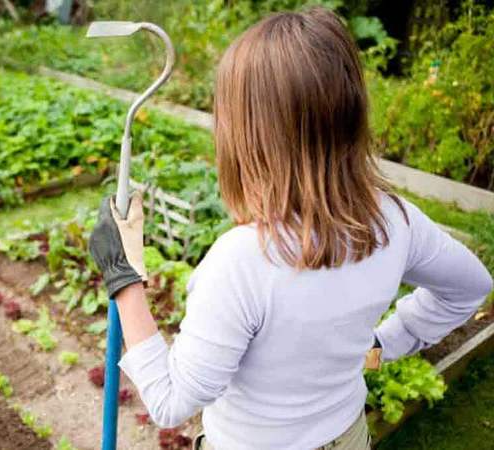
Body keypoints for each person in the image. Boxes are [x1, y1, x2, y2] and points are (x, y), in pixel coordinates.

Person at [88, 7, 493, 450]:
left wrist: (124, 278)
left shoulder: (241, 261)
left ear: (250, 134)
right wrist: (380, 346)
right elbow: (471, 286)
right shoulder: (395, 221)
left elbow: (169, 402)